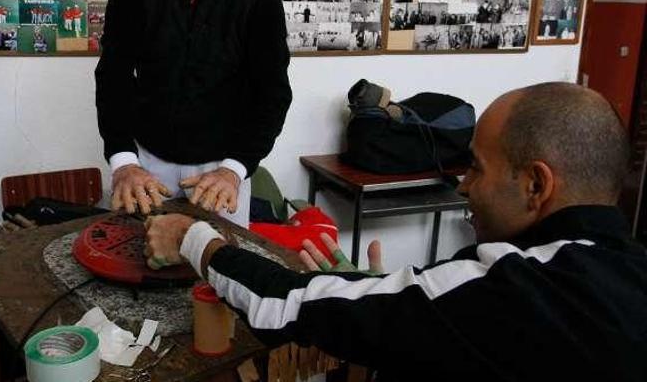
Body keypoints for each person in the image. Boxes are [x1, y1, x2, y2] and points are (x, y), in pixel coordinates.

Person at [144, 82, 647, 381]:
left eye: (475, 168)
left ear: (536, 184)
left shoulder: (520, 287)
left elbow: (285, 305)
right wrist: (383, 304)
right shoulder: (621, 274)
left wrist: (191, 237)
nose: (463, 185)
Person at [94, 0, 292, 227]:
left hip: (222, 171)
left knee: (220, 274)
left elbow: (273, 95)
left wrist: (235, 170)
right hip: (146, 165)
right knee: (134, 266)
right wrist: (123, 160)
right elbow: (114, 77)